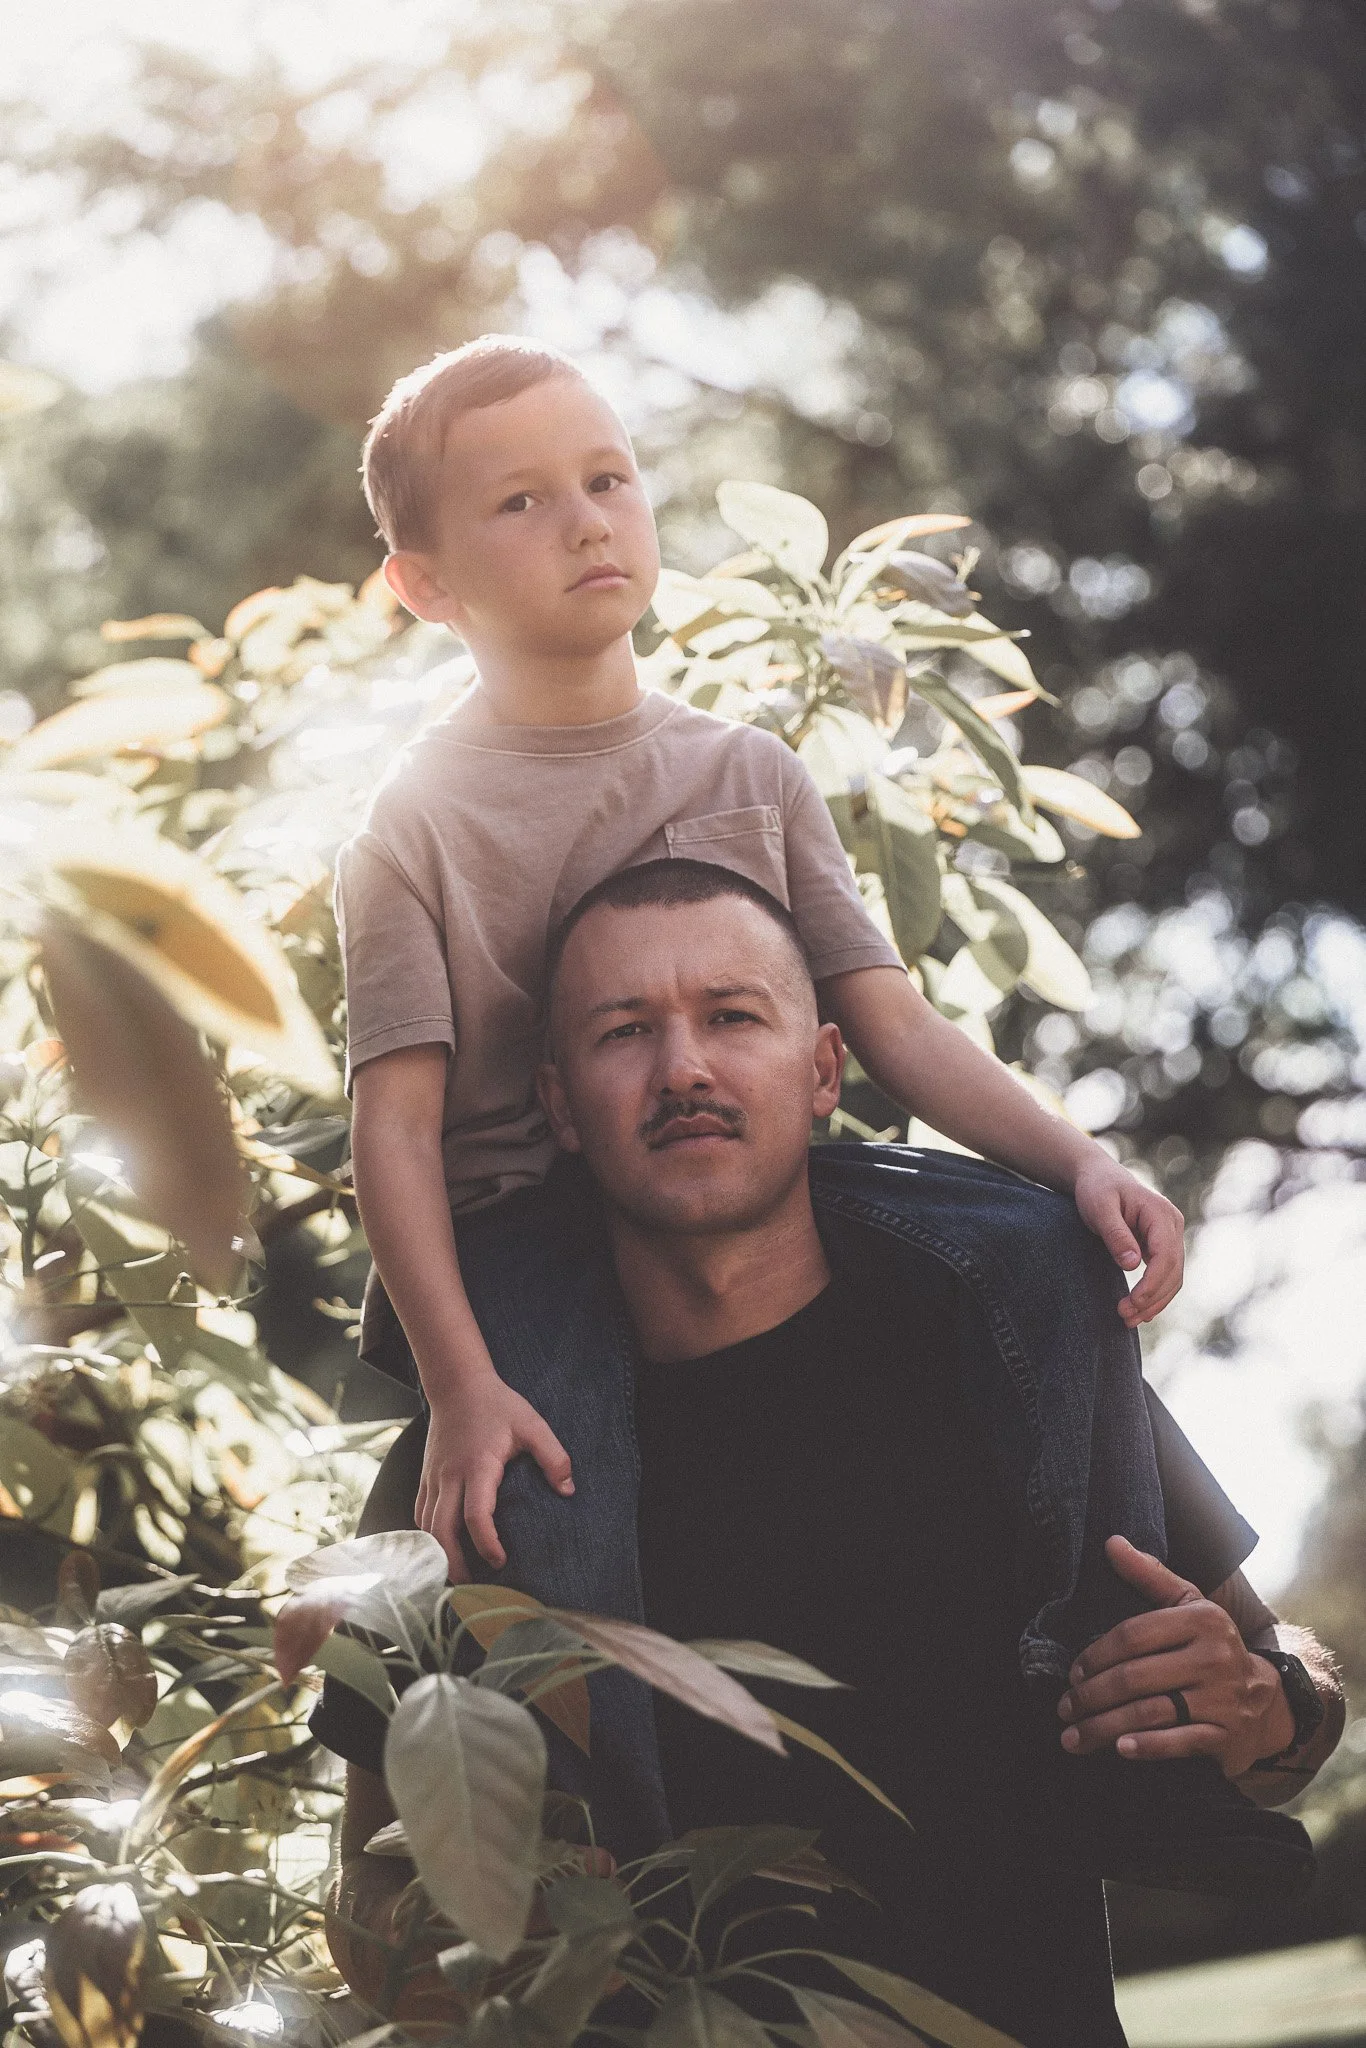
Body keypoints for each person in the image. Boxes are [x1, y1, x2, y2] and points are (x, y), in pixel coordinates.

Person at [313, 866, 1344, 2048]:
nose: (683, 1067)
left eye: (732, 1015)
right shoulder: (466, 1452)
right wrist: (487, 1942)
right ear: (558, 1101)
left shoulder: (1013, 1366)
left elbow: (1288, 1719)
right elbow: (363, 1899)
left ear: (823, 1070)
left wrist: (1259, 1702)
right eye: (623, 1031)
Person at [336, 329, 1187, 1609]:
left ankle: (1111, 1633)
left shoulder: (746, 772)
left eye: (608, 479)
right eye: (521, 501)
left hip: (750, 1173)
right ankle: (621, 1809)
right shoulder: (412, 823)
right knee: (534, 1518)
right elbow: (391, 1129)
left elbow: (890, 1021)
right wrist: (461, 1385)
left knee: (1037, 1251)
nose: (585, 524)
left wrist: (1076, 1161)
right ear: (425, 585)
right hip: (526, 1235)